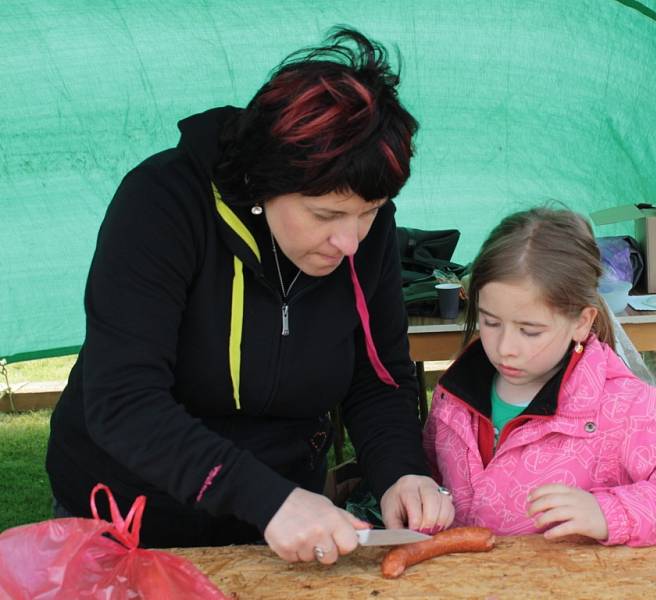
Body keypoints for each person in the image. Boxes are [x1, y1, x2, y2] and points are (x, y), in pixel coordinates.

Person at [46, 28, 454, 559]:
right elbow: (124, 400)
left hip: (280, 522)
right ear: (264, 182)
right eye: (325, 215)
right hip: (132, 515)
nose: (350, 241)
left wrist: (402, 470)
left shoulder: (363, 231)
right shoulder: (163, 204)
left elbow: (377, 376)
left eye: (369, 212)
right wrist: (268, 499)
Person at [423, 207, 656, 546]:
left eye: (530, 331)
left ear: (581, 322)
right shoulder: (454, 394)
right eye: (490, 322)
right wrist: (424, 493)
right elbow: (432, 470)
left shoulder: (621, 406)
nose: (505, 347)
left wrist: (609, 512)